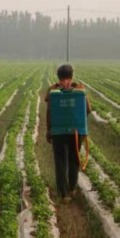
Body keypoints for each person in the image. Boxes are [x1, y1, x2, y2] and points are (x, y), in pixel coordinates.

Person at [45, 63, 92, 198]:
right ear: (71, 76)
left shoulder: (52, 90)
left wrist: (49, 130)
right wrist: (77, 122)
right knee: (74, 160)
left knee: (60, 162)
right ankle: (72, 189)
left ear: (58, 76)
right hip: (77, 132)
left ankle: (64, 194)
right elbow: (88, 109)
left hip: (58, 133)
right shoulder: (79, 89)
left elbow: (50, 112)